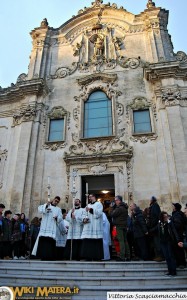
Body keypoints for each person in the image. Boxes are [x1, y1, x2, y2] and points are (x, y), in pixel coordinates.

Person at [32, 196, 62, 261]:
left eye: (57, 201)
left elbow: (60, 218)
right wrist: (46, 205)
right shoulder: (46, 205)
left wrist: (57, 218)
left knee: (50, 242)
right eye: (55, 200)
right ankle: (42, 256)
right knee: (43, 241)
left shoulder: (58, 209)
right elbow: (40, 210)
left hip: (52, 227)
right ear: (53, 199)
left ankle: (50, 256)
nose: (56, 202)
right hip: (44, 227)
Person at [81, 194, 103, 261]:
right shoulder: (87, 205)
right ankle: (88, 256)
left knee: (96, 241)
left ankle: (97, 257)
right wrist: (84, 219)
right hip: (88, 225)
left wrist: (91, 210)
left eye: (91, 196)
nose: (90, 198)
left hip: (95, 225)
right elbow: (84, 214)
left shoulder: (99, 204)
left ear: (95, 197)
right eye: (89, 197)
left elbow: (99, 213)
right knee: (88, 241)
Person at [158, 211, 180, 276]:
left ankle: (173, 271)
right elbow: (159, 233)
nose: (166, 218)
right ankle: (170, 271)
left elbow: (174, 231)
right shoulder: (159, 223)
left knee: (171, 256)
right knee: (167, 257)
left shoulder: (169, 223)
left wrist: (177, 240)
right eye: (164, 217)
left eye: (166, 216)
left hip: (169, 241)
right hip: (163, 242)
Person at [110, 195, 130, 261]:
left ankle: (122, 256)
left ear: (119, 200)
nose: (115, 202)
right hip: (124, 225)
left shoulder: (119, 208)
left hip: (119, 226)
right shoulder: (124, 207)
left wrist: (112, 208)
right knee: (125, 241)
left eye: (116, 200)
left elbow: (112, 214)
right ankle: (128, 256)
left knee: (121, 241)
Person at [147, 196, 162, 261]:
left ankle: (159, 256)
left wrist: (152, 226)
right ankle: (156, 255)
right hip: (153, 227)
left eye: (150, 200)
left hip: (155, 228)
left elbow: (155, 217)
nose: (149, 201)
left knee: (157, 242)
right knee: (154, 243)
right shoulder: (153, 206)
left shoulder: (155, 206)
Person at [171, 203, 186, 268]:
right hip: (177, 235)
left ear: (175, 207)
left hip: (178, 235)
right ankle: (179, 263)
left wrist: (171, 224)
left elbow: (178, 225)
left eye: (173, 206)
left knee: (179, 249)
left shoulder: (177, 214)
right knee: (177, 249)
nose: (172, 207)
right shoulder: (176, 214)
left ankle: (181, 263)